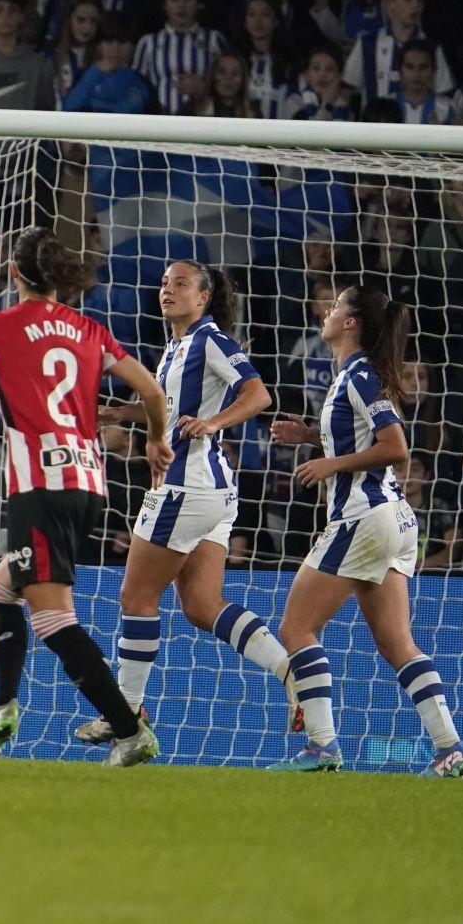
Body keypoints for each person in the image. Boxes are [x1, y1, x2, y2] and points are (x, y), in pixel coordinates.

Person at [0, 228, 171, 767]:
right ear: (62, 279)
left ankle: (130, 730)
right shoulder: (90, 330)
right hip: (89, 484)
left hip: (41, 486)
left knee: (52, 618)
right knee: (2, 590)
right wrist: (156, 440)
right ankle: (2, 708)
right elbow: (154, 391)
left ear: (14, 274)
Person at [83, 261, 295, 745]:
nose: (167, 290)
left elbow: (258, 395)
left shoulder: (209, 339)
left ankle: (126, 715)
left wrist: (215, 423)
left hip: (185, 486)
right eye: (163, 283)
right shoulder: (176, 348)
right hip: (213, 492)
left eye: (180, 283)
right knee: (202, 606)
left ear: (204, 297)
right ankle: (291, 672)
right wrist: (117, 411)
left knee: (136, 598)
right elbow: (174, 412)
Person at [264, 286, 463, 776]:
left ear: (351, 322)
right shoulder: (352, 376)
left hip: (363, 515)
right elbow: (362, 433)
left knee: (296, 627)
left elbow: (396, 447)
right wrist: (309, 436)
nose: (327, 312)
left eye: (335, 306)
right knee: (397, 642)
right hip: (394, 520)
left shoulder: (361, 374)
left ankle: (323, 747)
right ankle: (451, 749)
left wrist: (329, 461)